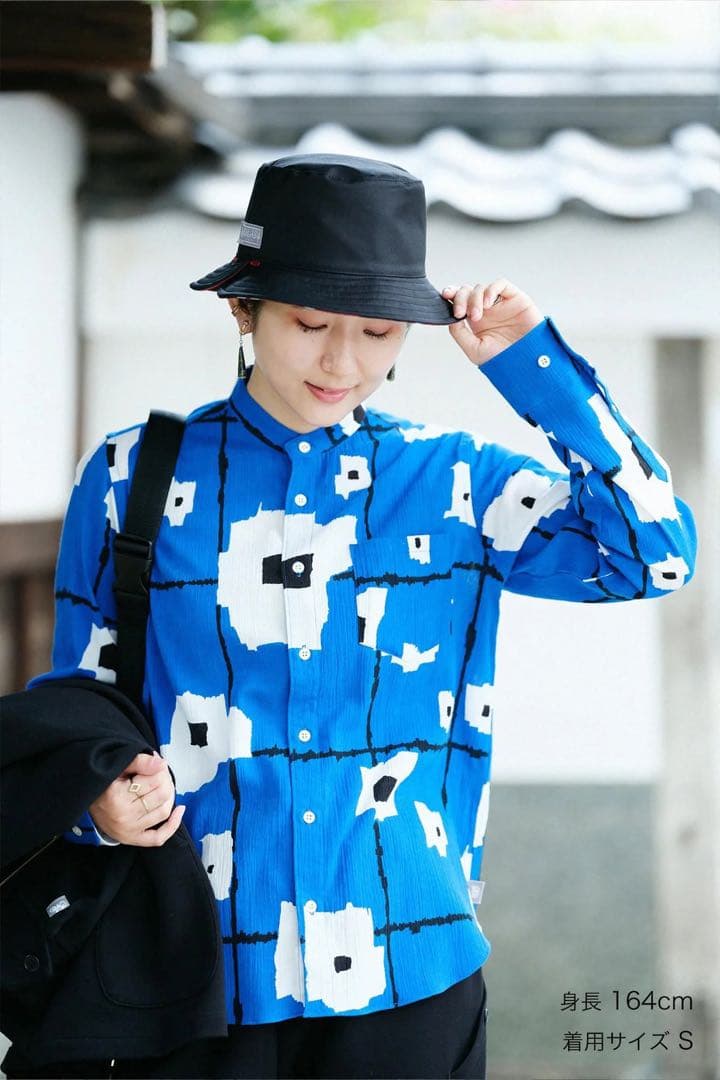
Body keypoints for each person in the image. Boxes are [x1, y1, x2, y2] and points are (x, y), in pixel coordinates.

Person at [5, 153, 697, 1079]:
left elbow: (655, 553)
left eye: (377, 331)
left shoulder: (458, 482)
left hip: (410, 968)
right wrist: (97, 801)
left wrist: (536, 369)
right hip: (191, 974)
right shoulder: (134, 476)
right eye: (309, 323)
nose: (342, 362)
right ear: (244, 309)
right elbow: (82, 701)